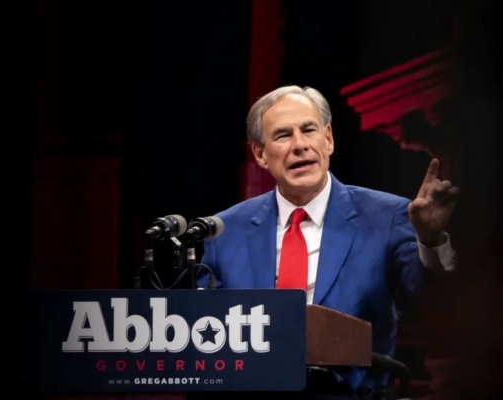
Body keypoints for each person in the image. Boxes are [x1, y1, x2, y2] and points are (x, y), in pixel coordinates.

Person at [196, 85, 460, 399]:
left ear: (329, 139)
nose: (300, 145)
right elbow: (203, 337)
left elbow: (428, 305)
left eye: (309, 130)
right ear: (260, 154)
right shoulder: (224, 231)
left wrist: (430, 241)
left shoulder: (387, 216)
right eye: (283, 135)